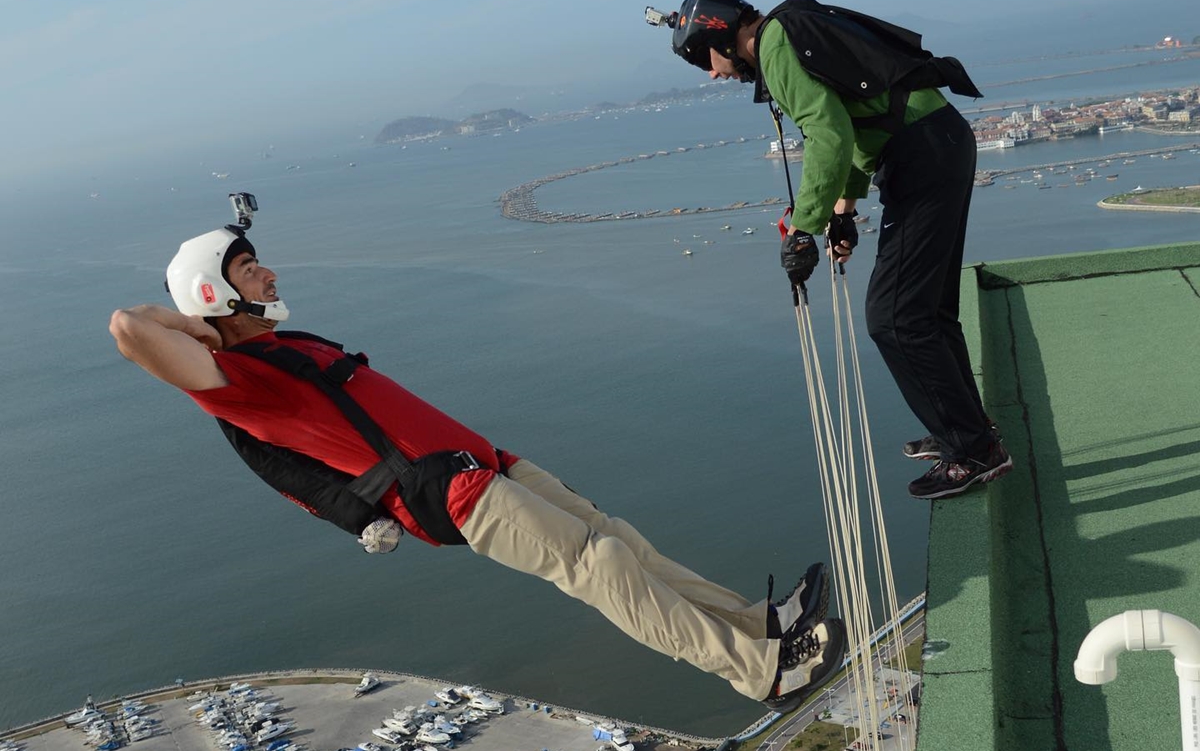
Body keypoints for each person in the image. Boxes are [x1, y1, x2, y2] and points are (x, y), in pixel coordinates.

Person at [108, 217, 848, 713]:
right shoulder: (237, 383)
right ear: (215, 291)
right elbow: (129, 328)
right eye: (247, 266)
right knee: (601, 567)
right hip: (451, 491)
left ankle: (762, 627)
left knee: (622, 542)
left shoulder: (280, 348)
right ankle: (762, 674)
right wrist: (201, 318)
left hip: (485, 462)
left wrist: (222, 303)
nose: (267, 273)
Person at [658, 0, 1013, 499]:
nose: (713, 74)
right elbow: (846, 120)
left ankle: (975, 448)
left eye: (704, 62)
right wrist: (843, 211)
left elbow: (828, 134)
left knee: (894, 318)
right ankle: (967, 429)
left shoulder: (776, 45)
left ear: (719, 37)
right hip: (937, 143)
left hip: (922, 155)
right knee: (927, 311)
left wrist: (803, 227)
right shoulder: (788, 29)